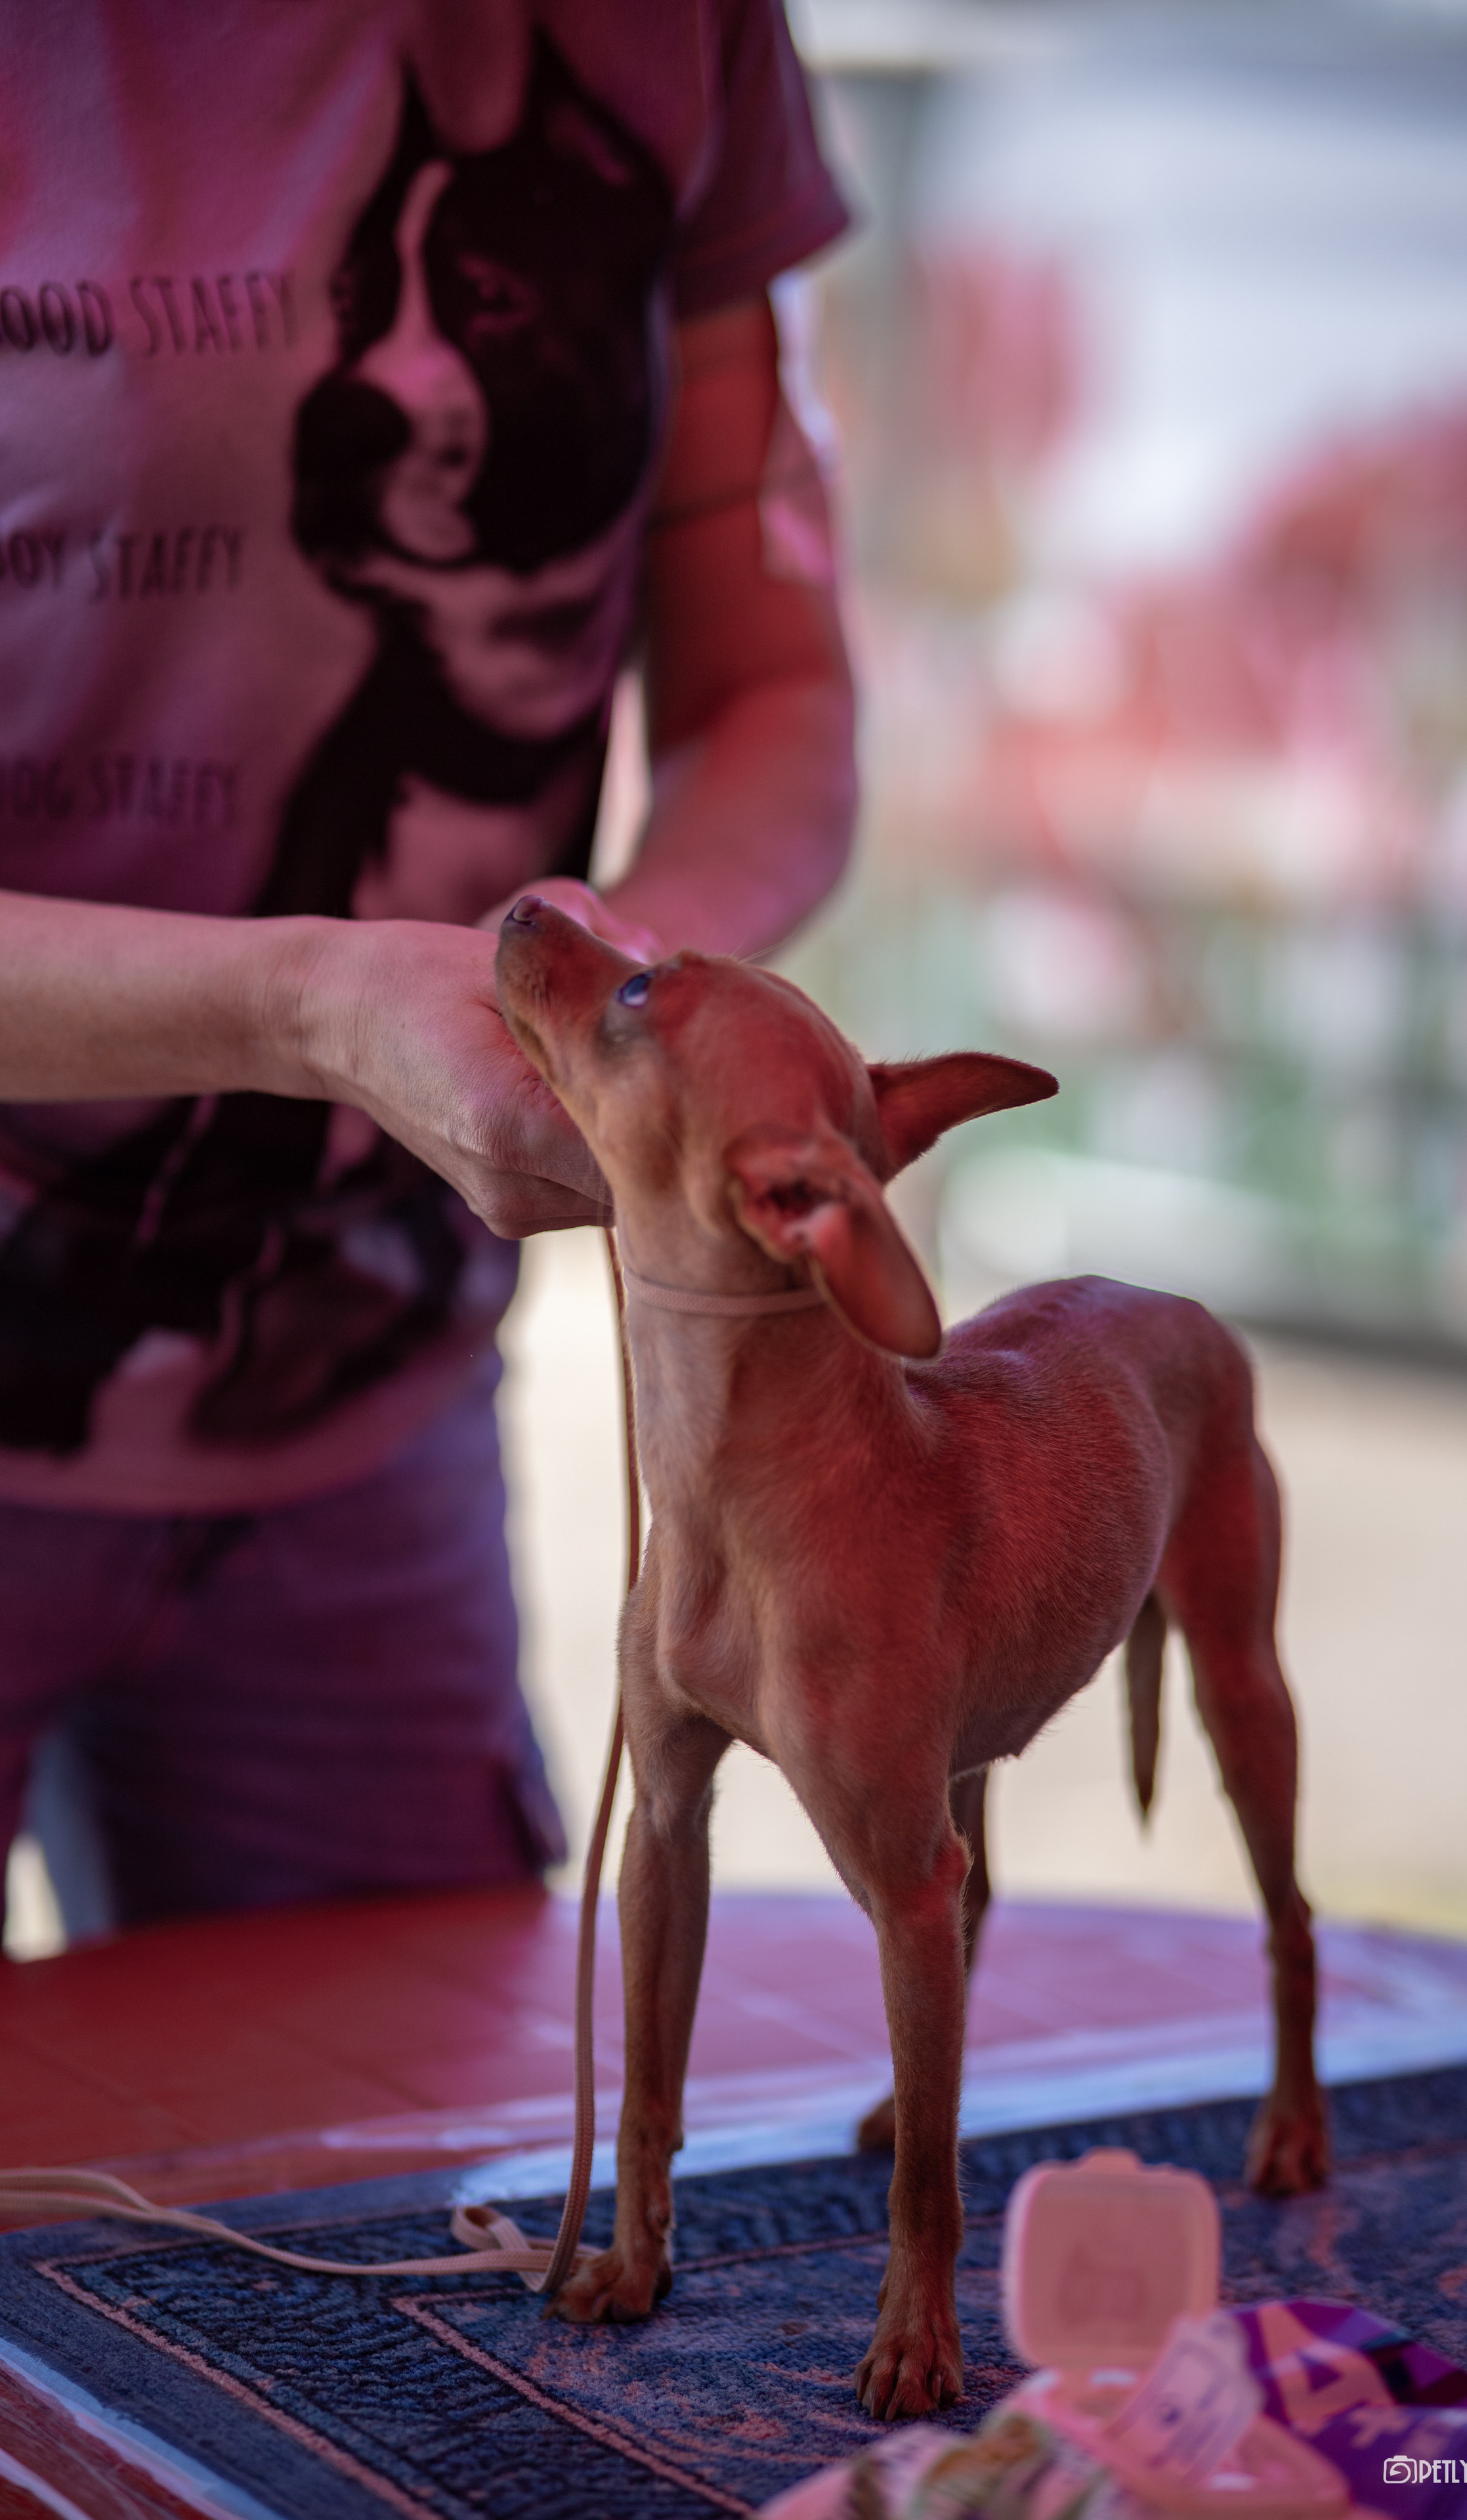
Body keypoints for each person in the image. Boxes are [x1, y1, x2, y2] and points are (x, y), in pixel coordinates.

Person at [0, 0, 855, 1937]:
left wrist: (631, 994)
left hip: (357, 1428)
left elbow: (780, 685)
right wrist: (304, 1008)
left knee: (401, 2211)